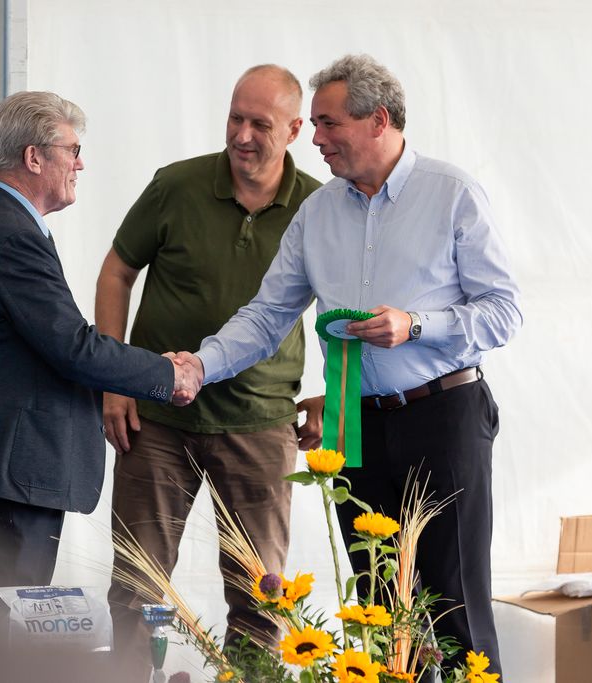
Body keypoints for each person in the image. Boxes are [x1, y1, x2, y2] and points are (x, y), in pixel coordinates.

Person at [180, 54, 522, 676]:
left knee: (455, 605)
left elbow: (504, 312)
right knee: (378, 611)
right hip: (351, 422)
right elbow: (267, 314)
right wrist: (199, 366)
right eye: (314, 124)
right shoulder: (316, 213)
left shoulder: (453, 195)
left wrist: (415, 325)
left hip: (443, 415)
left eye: (328, 123)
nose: (314, 138)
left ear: (378, 120)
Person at [0, 91, 201, 617]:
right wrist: (167, 373)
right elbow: (73, 347)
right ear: (34, 157)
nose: (80, 164)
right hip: (7, 470)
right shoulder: (9, 235)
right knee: (6, 623)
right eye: (73, 150)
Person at [96, 65, 321, 677]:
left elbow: (349, 305)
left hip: (261, 423)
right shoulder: (176, 186)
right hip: (156, 421)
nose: (242, 135)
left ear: (295, 130)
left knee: (261, 598)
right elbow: (116, 271)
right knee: (137, 585)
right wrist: (115, 379)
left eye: (260, 124)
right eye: (235, 118)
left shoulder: (320, 206)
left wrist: (334, 394)